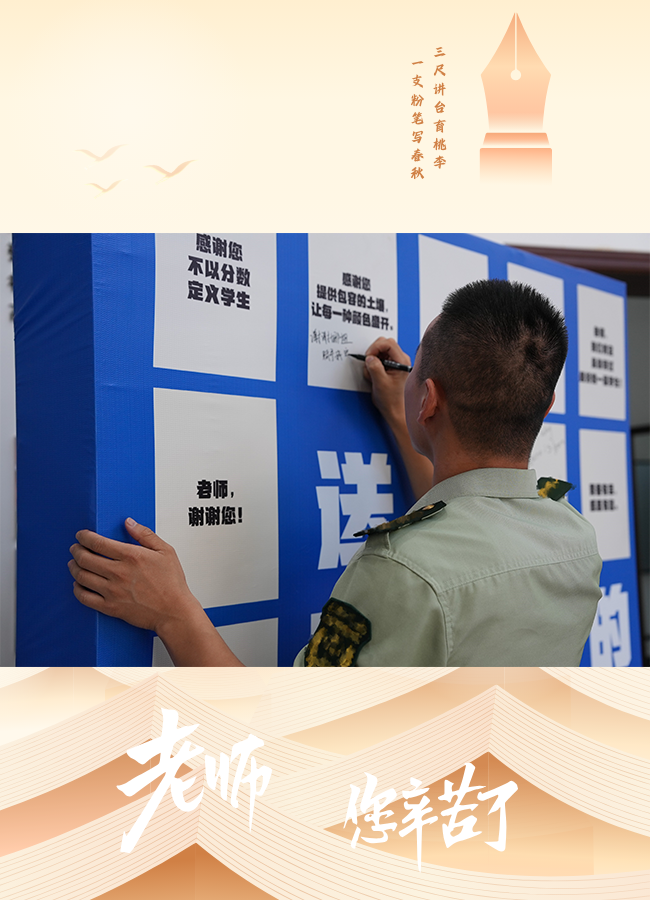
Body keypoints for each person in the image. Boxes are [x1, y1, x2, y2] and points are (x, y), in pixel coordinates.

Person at [69, 280, 602, 666]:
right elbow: (467, 515)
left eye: (416, 368)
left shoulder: (403, 569)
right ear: (547, 406)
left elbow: (286, 737)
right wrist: (404, 416)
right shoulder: (575, 538)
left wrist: (172, 612)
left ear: (429, 399)